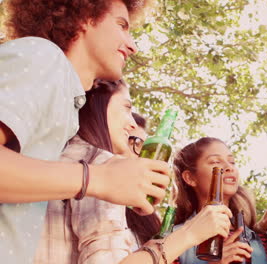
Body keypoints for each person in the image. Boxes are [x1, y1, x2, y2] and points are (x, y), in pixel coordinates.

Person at [0, 0, 169, 262]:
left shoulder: (67, 111)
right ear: (85, 17)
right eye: (121, 25)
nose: (132, 45)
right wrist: (101, 179)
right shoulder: (43, 57)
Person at [35, 80, 233, 263]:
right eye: (127, 107)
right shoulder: (104, 166)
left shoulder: (52, 156)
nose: (131, 124)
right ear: (97, 103)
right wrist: (189, 235)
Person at [172, 137, 267, 264]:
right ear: (190, 178)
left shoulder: (261, 240)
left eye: (232, 162)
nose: (229, 167)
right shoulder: (171, 240)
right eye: (215, 162)